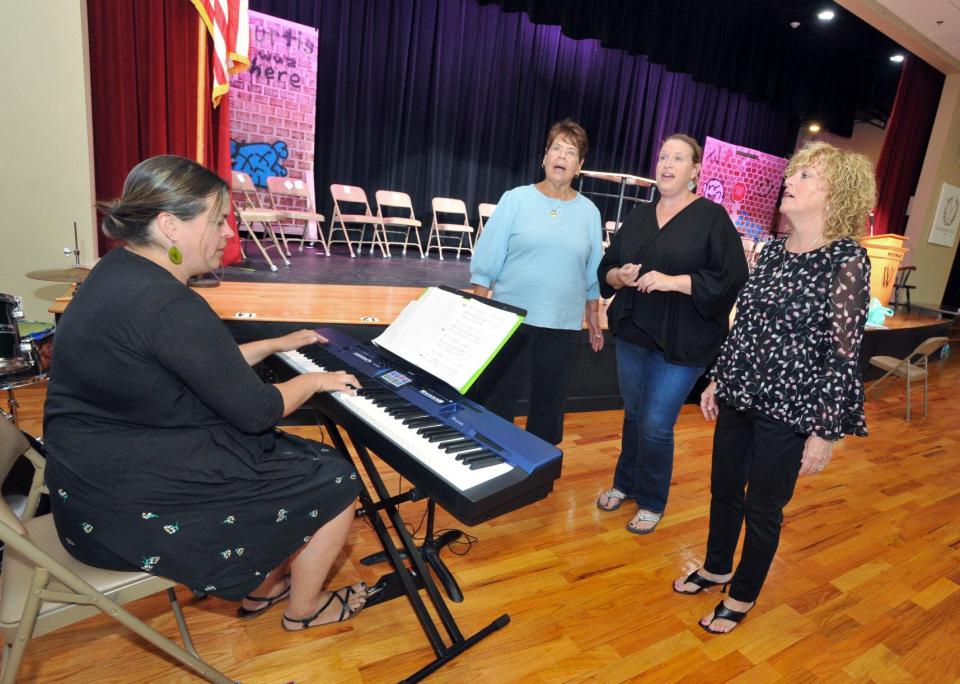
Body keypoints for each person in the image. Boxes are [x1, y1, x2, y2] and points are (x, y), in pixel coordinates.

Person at [44, 155, 367, 631]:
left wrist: (274, 343)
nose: (228, 234)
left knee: (285, 459)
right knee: (333, 476)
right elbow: (259, 411)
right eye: (217, 221)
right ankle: (305, 609)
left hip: (88, 481)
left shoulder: (118, 271)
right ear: (171, 226)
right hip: (124, 507)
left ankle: (262, 590)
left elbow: (194, 363)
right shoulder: (169, 303)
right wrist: (314, 380)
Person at [673, 141, 875, 634]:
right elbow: (743, 325)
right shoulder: (773, 250)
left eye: (807, 176)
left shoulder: (848, 259)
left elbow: (844, 352)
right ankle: (718, 565)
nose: (791, 180)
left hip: (791, 409)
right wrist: (719, 378)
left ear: (835, 195)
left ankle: (741, 596)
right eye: (796, 172)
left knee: (764, 508)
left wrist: (826, 432)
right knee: (724, 489)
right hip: (741, 391)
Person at [596, 134, 748, 533]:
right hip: (633, 333)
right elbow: (607, 269)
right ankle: (623, 483)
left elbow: (733, 277)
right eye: (663, 156)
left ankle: (651, 499)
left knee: (656, 424)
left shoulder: (712, 218)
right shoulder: (639, 216)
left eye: (678, 158)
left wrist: (675, 281)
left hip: (684, 342)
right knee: (632, 414)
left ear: (695, 170)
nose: (667, 164)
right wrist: (620, 275)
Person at [469, 119, 604, 445]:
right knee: (498, 396)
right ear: (544, 156)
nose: (561, 156)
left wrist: (595, 319)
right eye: (556, 147)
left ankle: (537, 468)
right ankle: (491, 457)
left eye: (570, 152)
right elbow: (486, 263)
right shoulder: (515, 199)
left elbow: (593, 273)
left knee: (549, 401)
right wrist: (477, 313)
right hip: (510, 317)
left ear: (579, 165)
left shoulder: (590, 212)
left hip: (562, 322)